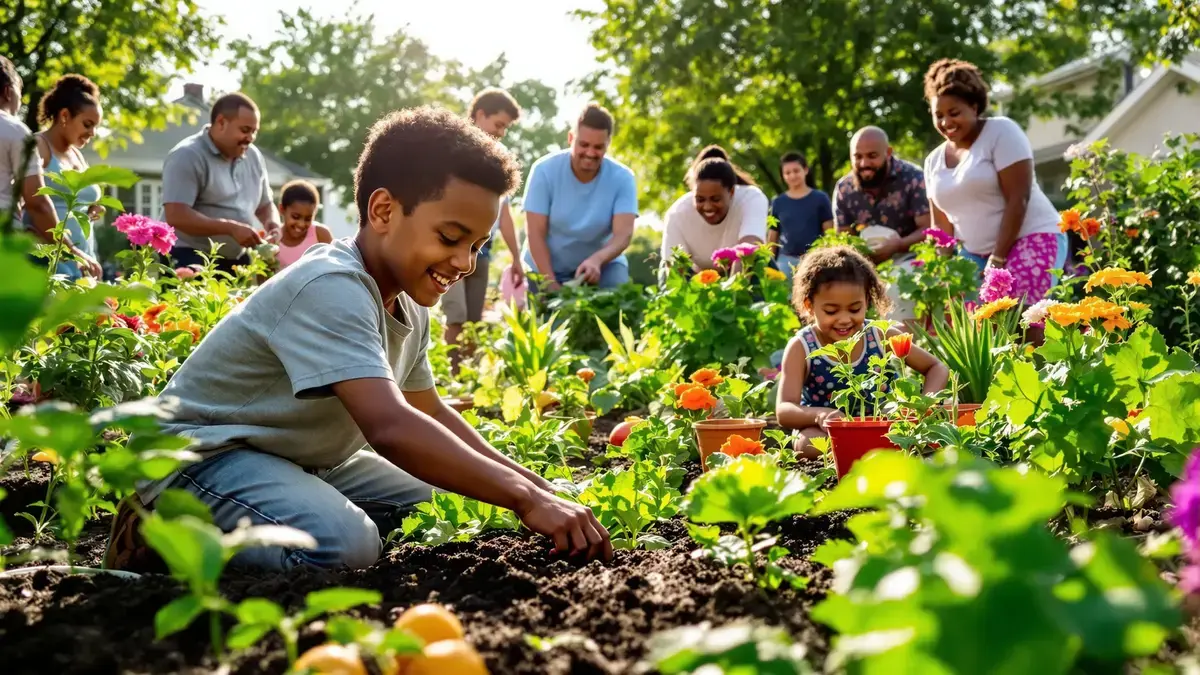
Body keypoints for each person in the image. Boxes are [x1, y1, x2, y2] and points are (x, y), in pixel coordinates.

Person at [104, 106, 611, 572]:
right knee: (345, 545)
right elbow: (389, 426)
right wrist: (526, 500)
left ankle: (283, 515)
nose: (464, 262)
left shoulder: (409, 298)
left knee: (451, 499)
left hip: (295, 460)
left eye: (477, 246)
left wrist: (540, 488)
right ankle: (162, 546)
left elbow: (430, 413)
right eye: (451, 238)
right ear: (385, 211)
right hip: (199, 461)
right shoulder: (333, 286)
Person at [775, 246, 949, 458]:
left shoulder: (879, 335)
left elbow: (936, 367)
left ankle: (869, 451)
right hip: (830, 432)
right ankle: (867, 453)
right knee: (807, 443)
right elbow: (784, 409)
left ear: (867, 300)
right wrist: (820, 414)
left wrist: (921, 408)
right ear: (809, 306)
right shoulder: (802, 346)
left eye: (855, 309)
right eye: (831, 311)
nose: (844, 319)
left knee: (933, 437)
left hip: (883, 425)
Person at [923, 59, 1067, 304]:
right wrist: (938, 273)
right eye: (939, 116)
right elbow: (942, 228)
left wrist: (997, 259)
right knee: (978, 332)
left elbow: (1018, 198)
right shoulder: (933, 161)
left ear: (974, 106)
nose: (946, 122)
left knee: (1024, 320)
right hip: (972, 254)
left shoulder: (1001, 133)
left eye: (954, 113)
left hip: (1031, 238)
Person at [440, 88, 524, 373]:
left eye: (505, 128)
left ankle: (468, 377)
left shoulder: (497, 160)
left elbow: (506, 214)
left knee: (474, 321)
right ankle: (450, 376)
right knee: (456, 316)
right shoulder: (454, 151)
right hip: (450, 248)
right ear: (479, 115)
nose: (501, 133)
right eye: (498, 124)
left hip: (481, 253)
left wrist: (515, 257)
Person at [523, 102, 637, 291]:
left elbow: (623, 235)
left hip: (601, 266)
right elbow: (535, 233)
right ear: (570, 138)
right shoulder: (544, 170)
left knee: (616, 304)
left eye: (599, 147)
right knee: (548, 319)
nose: (590, 153)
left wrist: (597, 260)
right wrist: (550, 284)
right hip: (545, 266)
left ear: (608, 143)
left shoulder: (623, 178)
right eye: (583, 144)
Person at [161, 92, 281, 273]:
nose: (250, 138)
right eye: (245, 130)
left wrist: (272, 224)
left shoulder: (253, 156)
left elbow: (265, 205)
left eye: (254, 131)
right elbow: (176, 215)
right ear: (221, 122)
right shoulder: (187, 155)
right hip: (189, 256)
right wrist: (230, 228)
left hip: (236, 259)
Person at [832, 127, 931, 324]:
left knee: (896, 288)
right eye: (857, 157)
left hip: (910, 256)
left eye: (872, 156)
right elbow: (843, 237)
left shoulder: (913, 178)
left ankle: (903, 348)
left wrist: (898, 245)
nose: (864, 163)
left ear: (888, 153)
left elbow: (928, 229)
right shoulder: (844, 188)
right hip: (863, 261)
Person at [23, 74, 105, 279]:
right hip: (49, 262)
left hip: (82, 259)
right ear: (65, 116)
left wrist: (93, 208)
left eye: (95, 126)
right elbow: (27, 199)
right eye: (87, 124)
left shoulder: (77, 154)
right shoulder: (38, 146)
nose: (92, 133)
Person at [660, 156, 768, 271]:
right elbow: (675, 267)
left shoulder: (751, 198)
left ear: (731, 192)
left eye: (715, 199)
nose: (707, 207)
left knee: (761, 259)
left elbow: (749, 247)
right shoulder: (677, 213)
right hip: (698, 275)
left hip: (740, 270)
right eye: (700, 200)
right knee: (665, 268)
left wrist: (734, 286)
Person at [0, 56, 61, 257]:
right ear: (8, 92)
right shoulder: (15, 130)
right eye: (20, 92)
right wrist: (69, 247)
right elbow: (37, 202)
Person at [768, 151, 834, 280]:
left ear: (805, 170)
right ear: (783, 175)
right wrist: (769, 263)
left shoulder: (820, 198)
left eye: (796, 171)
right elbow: (773, 236)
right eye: (787, 173)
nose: (792, 175)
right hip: (785, 261)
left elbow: (830, 233)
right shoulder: (778, 202)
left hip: (815, 259)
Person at [275, 180, 332, 269]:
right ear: (282, 209)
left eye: (308, 219)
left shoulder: (321, 235)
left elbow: (333, 268)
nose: (301, 224)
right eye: (295, 217)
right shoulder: (273, 240)